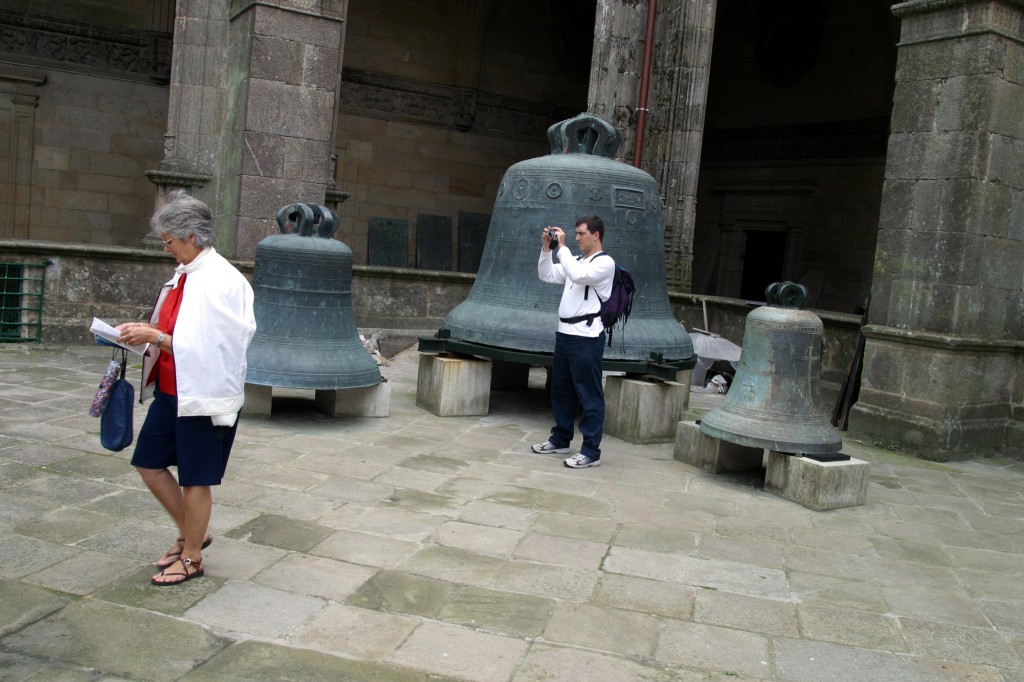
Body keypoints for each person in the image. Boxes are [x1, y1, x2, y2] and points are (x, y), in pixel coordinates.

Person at [116, 190, 256, 586]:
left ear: (192, 236)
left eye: (169, 241)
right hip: (172, 389)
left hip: (205, 395)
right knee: (148, 462)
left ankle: (192, 556)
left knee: (196, 477)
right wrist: (145, 332)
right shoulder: (186, 273)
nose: (167, 249)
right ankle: (194, 532)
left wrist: (156, 337)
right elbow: (177, 327)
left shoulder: (222, 280)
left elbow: (220, 346)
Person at [532, 214, 615, 469]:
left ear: (596, 235)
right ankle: (561, 439)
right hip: (565, 334)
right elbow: (546, 274)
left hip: (586, 338)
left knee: (589, 395)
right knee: (561, 390)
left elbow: (578, 276)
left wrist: (562, 247)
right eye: (576, 234)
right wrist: (547, 250)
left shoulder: (605, 263)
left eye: (581, 233)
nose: (577, 238)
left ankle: (591, 451)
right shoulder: (575, 261)